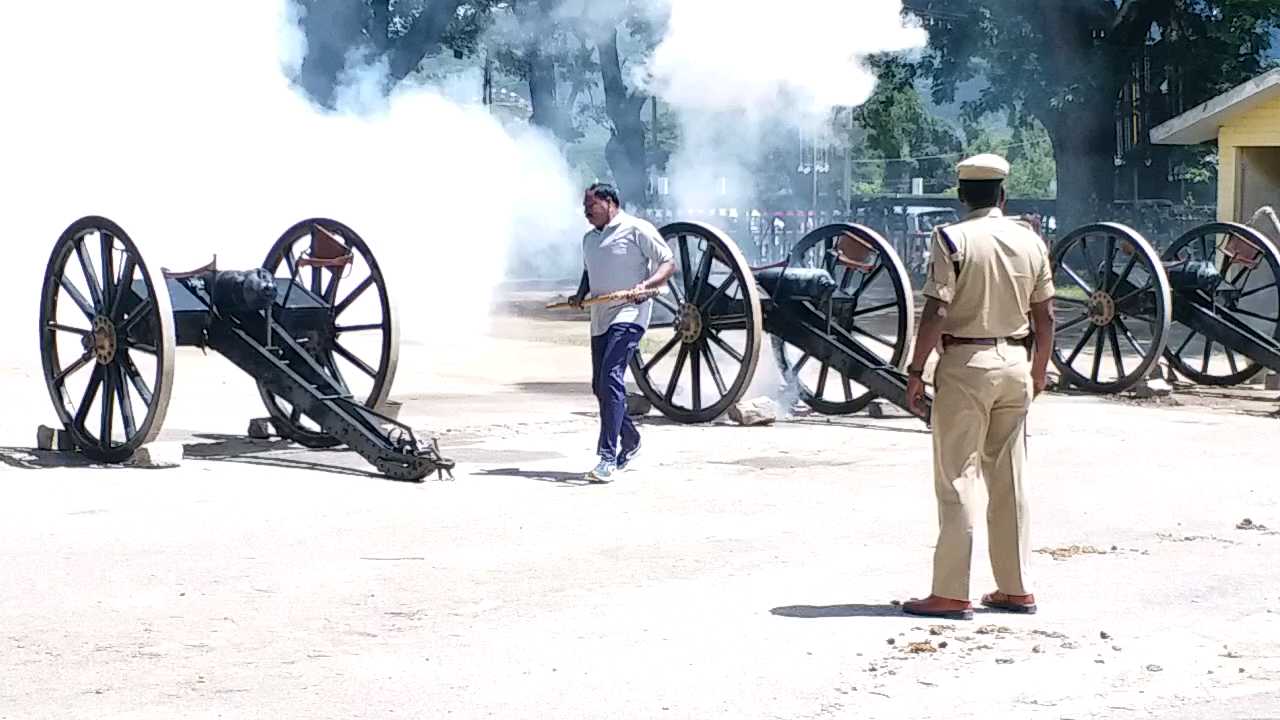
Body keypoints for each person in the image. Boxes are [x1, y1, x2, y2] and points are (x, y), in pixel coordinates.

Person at [900, 153, 1056, 620]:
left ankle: (950, 592)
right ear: (1003, 195)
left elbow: (938, 310)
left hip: (966, 363)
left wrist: (915, 368)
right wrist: (1038, 371)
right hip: (1016, 360)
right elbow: (1046, 316)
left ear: (961, 196)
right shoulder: (1031, 241)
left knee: (958, 478)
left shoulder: (951, 238)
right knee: (1010, 481)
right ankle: (1016, 587)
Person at [569, 183, 675, 483]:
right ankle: (630, 439)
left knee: (611, 377)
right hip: (600, 317)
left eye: (591, 204)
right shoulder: (589, 239)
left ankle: (607, 457)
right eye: (585, 206)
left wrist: (646, 285)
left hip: (630, 314)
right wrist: (580, 295)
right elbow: (590, 272)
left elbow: (668, 262)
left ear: (609, 202)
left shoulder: (636, 228)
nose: (586, 211)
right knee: (599, 386)